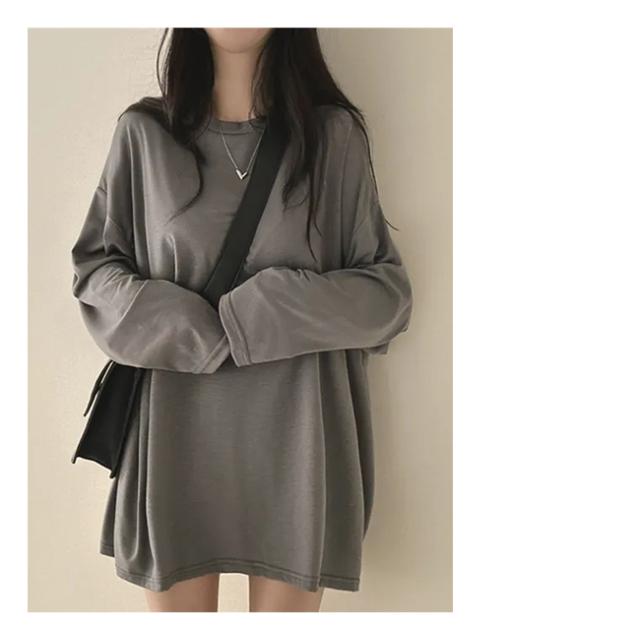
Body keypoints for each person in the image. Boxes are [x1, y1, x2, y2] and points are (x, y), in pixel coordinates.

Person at [70, 27, 413, 612]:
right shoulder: (145, 135)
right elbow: (94, 274)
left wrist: (265, 309)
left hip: (301, 444)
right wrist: (184, 324)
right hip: (174, 437)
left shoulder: (333, 138)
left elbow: (386, 297)